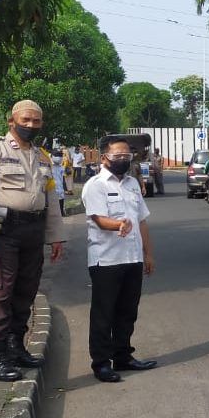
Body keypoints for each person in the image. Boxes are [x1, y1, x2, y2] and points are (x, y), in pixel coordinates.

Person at [0, 100, 65, 382]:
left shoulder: (42, 157)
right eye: (26, 120)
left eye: (37, 121)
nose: (31, 125)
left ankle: (15, 347)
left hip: (33, 231)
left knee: (25, 292)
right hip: (3, 232)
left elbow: (50, 198)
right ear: (12, 121)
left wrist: (56, 236)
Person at [81, 137, 158, 383]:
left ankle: (123, 356)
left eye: (127, 156)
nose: (124, 160)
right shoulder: (95, 185)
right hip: (106, 260)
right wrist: (118, 224)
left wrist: (148, 254)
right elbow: (99, 219)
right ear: (104, 158)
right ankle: (101, 363)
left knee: (127, 312)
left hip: (132, 258)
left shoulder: (133, 184)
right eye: (118, 157)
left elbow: (142, 220)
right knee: (104, 314)